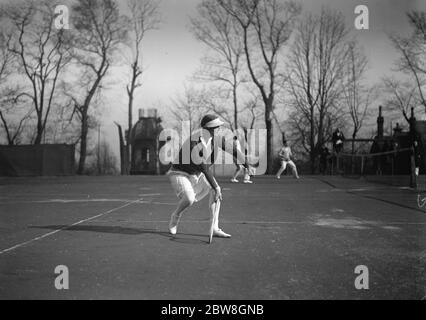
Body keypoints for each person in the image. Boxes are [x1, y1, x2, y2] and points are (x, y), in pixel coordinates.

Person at [167, 114, 249, 244]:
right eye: (217, 127)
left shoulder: (216, 139)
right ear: (209, 129)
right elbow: (205, 168)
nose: (220, 129)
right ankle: (176, 215)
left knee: (216, 190)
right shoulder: (194, 143)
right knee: (189, 199)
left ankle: (215, 228)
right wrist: (216, 187)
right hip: (179, 173)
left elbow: (233, 150)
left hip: (197, 174)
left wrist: (246, 163)